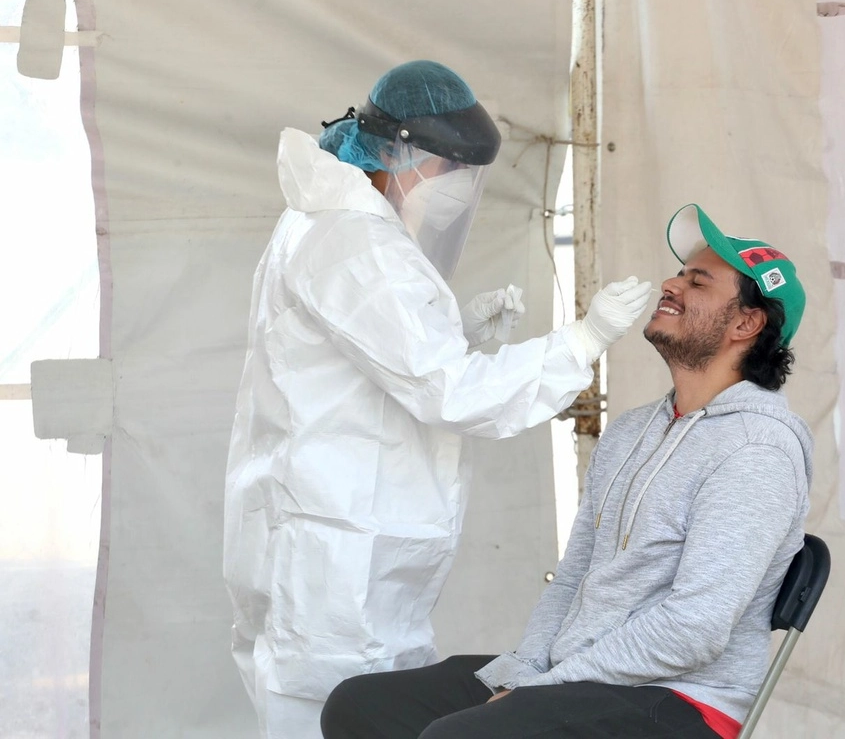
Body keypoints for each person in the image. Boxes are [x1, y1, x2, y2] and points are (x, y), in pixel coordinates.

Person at [223, 59, 652, 738]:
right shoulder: (354, 241)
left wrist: (455, 332)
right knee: (336, 713)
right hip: (335, 552)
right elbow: (449, 393)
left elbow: (380, 361)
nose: (456, 190)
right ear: (395, 150)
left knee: (361, 707)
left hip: (328, 527)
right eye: (449, 170)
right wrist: (581, 340)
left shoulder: (329, 220)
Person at [319, 202, 812, 739]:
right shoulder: (631, 430)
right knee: (359, 706)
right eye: (678, 272)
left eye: (698, 282)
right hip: (577, 677)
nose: (671, 283)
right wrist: (526, 671)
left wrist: (547, 686)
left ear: (746, 322)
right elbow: (573, 578)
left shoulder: (757, 449)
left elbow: (695, 628)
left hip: (683, 702)